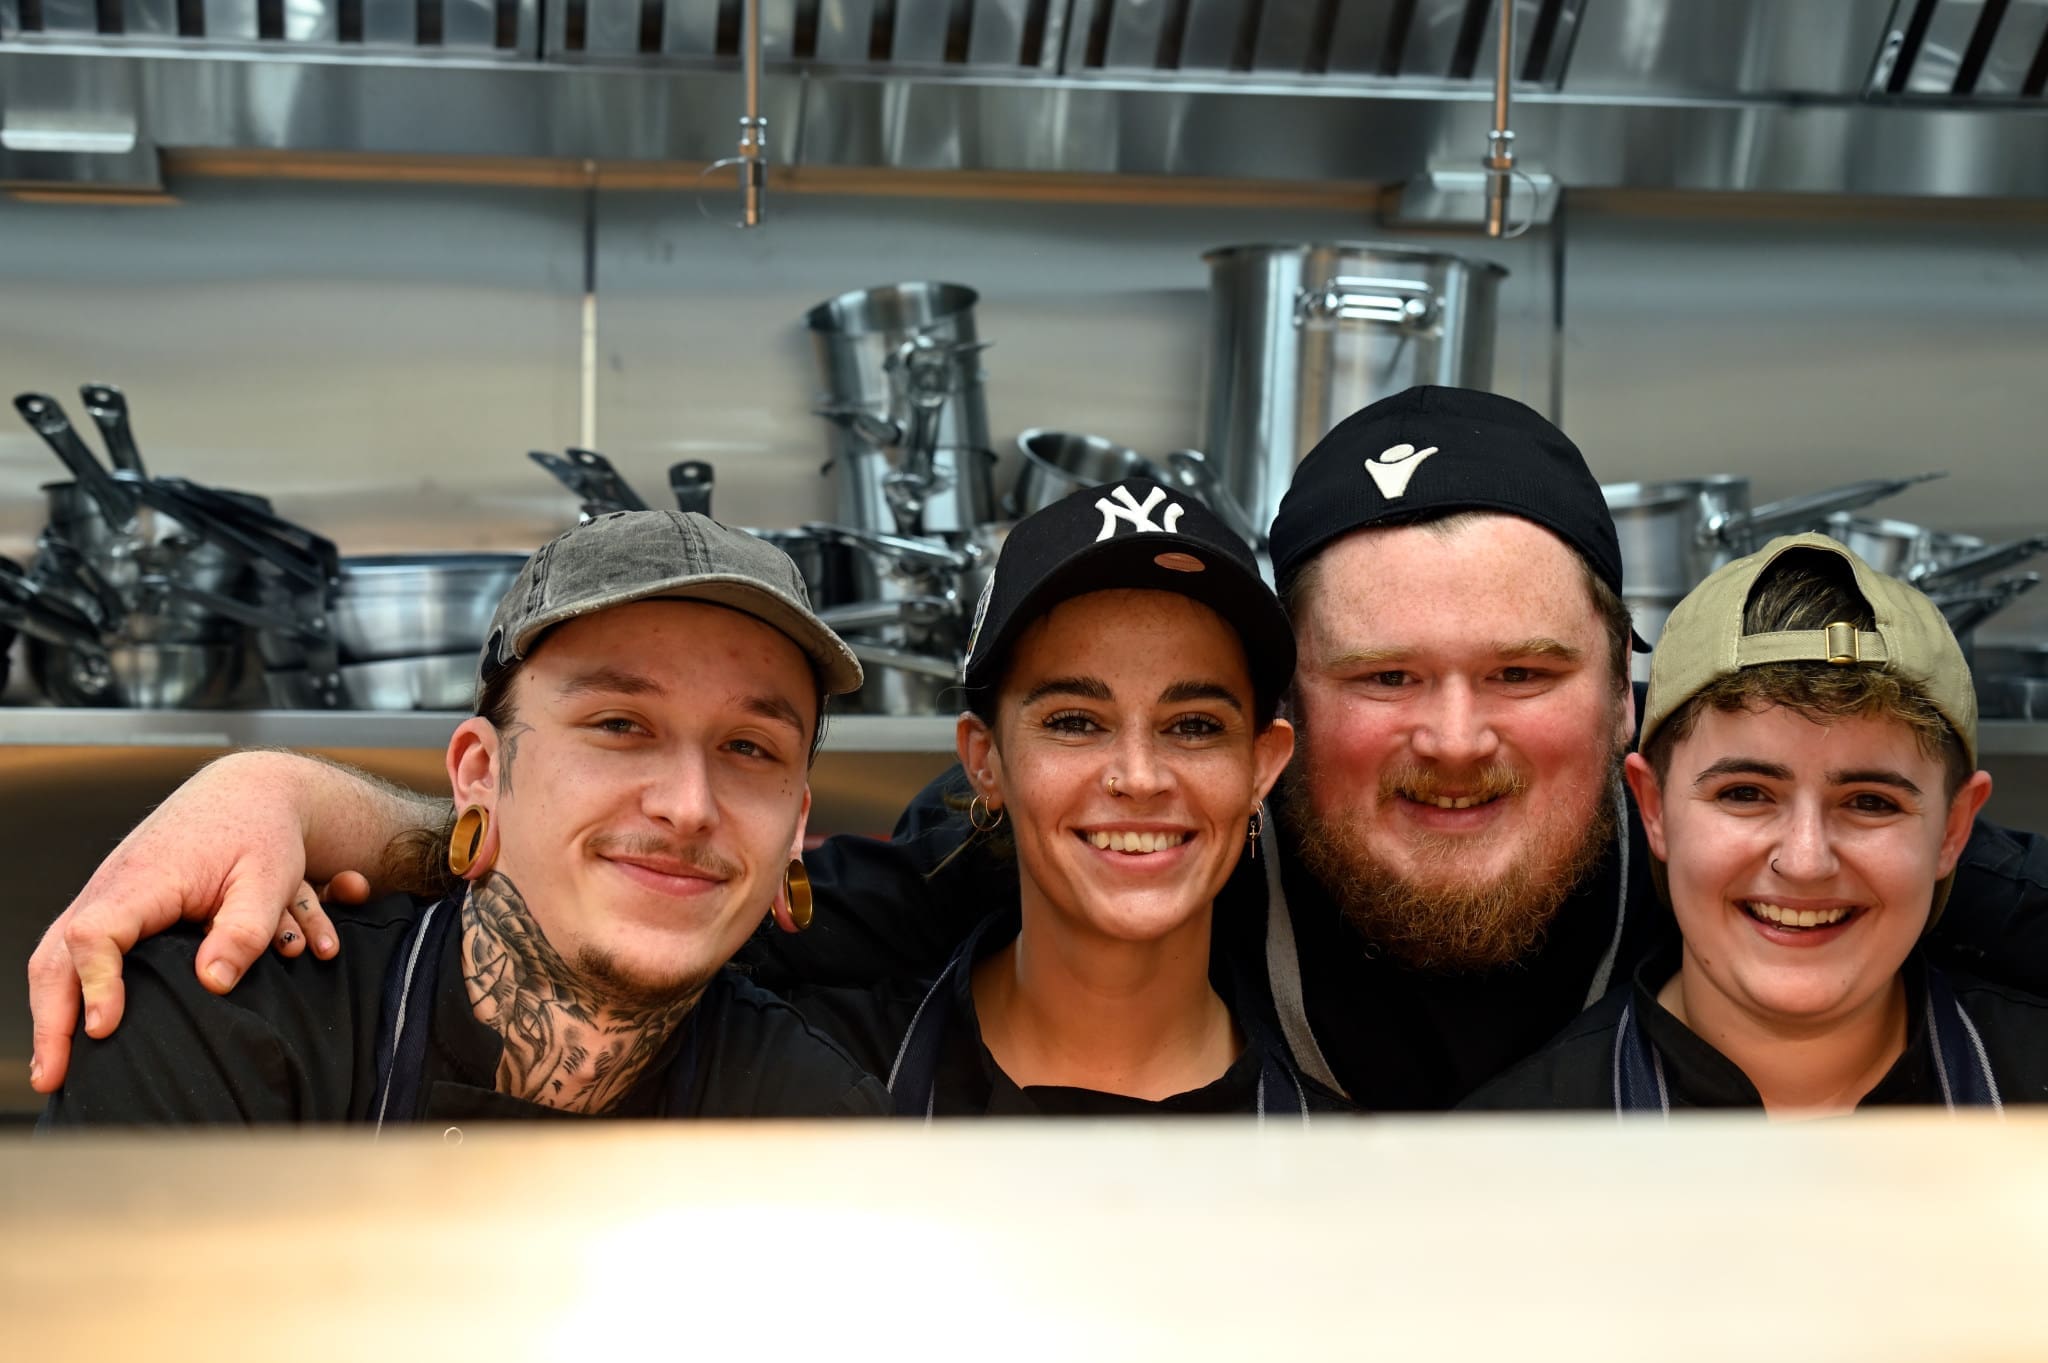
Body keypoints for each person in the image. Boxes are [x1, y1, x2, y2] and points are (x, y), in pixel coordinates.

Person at [26, 389, 2048, 1110]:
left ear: (1622, 720)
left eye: (1517, 671)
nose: (1447, 736)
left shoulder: (1828, 908)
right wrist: (306, 798)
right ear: (1294, 739)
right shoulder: (1007, 910)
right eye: (1376, 678)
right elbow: (674, 873)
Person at [43, 510, 887, 1123]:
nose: (689, 806)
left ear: (794, 820)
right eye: (620, 725)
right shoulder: (227, 1022)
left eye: (750, 748)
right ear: (481, 771)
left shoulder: (814, 1125)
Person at [788, 477, 1334, 1116]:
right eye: (1075, 721)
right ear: (985, 762)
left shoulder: (1344, 1171)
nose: (1138, 776)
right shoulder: (812, 1083)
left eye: (1194, 726)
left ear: (1261, 770)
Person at [1464, 533, 2047, 1113]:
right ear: (1653, 808)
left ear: (1953, 830)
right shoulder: (1505, 1158)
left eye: (1870, 802)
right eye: (1745, 794)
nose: (1805, 861)